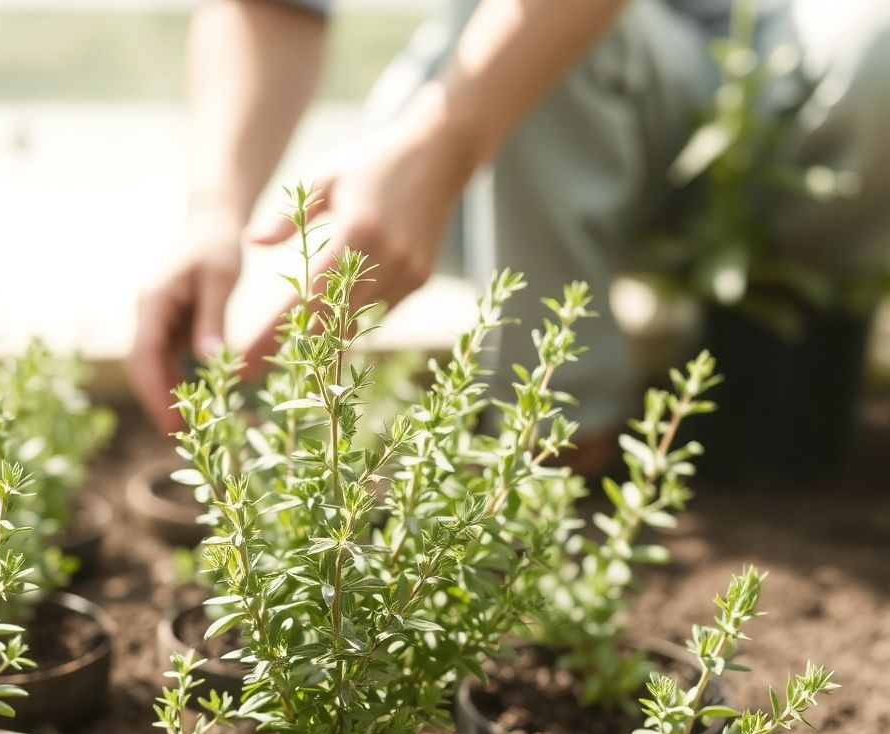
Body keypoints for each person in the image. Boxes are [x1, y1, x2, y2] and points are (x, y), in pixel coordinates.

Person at [128, 0, 889, 446]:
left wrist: (449, 141)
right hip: (525, 106)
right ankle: (561, 444)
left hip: (790, 83)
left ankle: (792, 318)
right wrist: (213, 215)